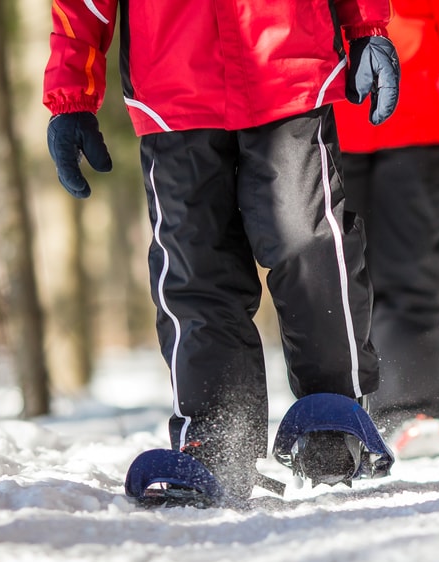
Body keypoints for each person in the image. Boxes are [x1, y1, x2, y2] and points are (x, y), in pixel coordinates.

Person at [43, 0, 400, 502]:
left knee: (310, 244)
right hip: (172, 86)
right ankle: (217, 433)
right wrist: (71, 96)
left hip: (287, 64)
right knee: (195, 268)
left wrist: (366, 26)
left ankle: (332, 411)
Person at [335, 0, 439, 456]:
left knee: (411, 273)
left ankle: (414, 408)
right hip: (323, 123)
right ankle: (338, 417)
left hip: (418, 123)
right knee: (336, 282)